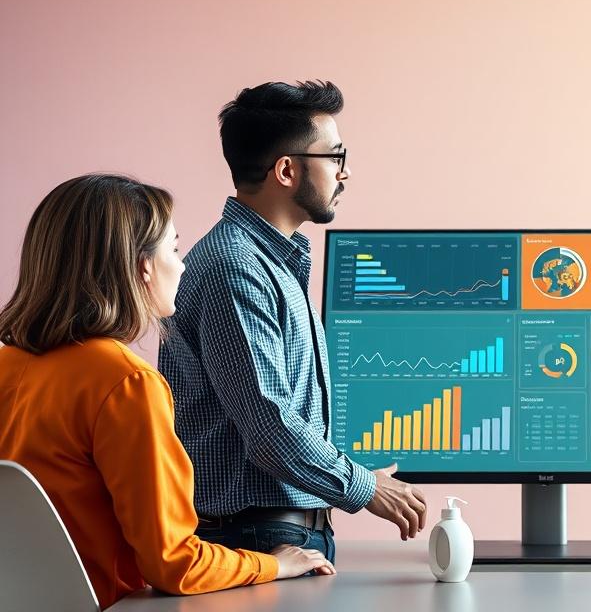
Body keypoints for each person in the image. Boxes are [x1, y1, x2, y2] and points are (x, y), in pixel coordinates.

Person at [0, 174, 333, 610]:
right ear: (142, 267)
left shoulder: (8, 365)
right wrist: (273, 565)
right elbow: (174, 564)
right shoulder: (126, 384)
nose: (182, 265)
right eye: (174, 249)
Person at [159, 80, 427, 562]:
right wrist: (366, 488)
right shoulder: (235, 268)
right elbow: (268, 426)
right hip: (257, 539)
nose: (345, 174)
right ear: (286, 170)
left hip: (276, 534)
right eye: (336, 157)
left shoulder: (270, 263)